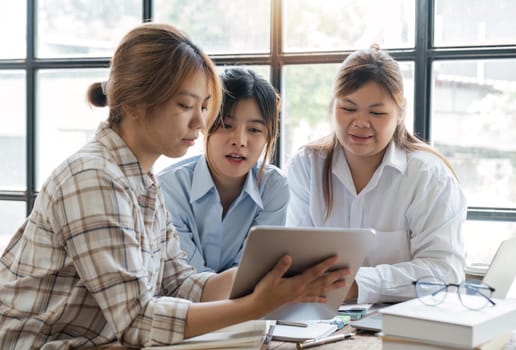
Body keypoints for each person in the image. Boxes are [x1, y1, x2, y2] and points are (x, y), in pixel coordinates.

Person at [0, 23, 350, 349]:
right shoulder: (94, 177)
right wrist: (258, 304)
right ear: (137, 102)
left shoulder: (142, 181)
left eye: (203, 106)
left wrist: (272, 277)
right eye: (186, 105)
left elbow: (180, 284)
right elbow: (138, 320)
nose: (201, 122)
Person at [286, 44, 467, 305]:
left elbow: (445, 271)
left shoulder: (427, 176)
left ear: (399, 113)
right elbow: (292, 259)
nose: (360, 122)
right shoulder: (307, 165)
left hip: (401, 322)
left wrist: (356, 285)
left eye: (377, 112)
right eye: (348, 108)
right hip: (317, 317)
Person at [157, 67, 287, 273]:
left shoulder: (274, 186)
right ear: (204, 124)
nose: (240, 141)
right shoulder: (169, 188)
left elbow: (254, 273)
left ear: (269, 136)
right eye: (226, 125)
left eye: (254, 130)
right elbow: (188, 279)